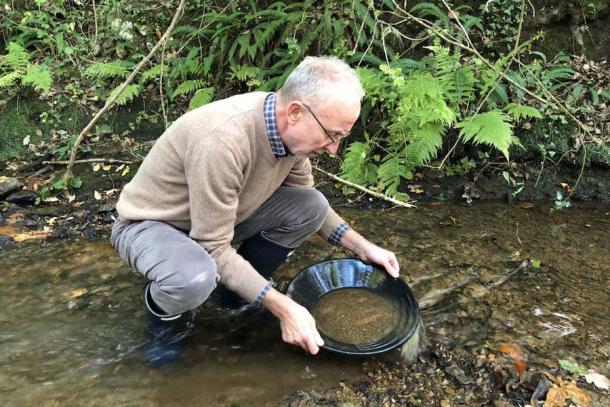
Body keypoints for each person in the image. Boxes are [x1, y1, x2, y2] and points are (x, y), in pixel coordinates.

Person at [110, 56, 400, 365]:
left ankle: (233, 294)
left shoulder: (289, 135)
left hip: (216, 220)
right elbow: (212, 247)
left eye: (341, 137)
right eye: (332, 135)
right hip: (151, 225)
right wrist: (283, 306)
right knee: (194, 276)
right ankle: (163, 330)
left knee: (310, 205)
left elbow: (307, 200)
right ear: (296, 112)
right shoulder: (222, 141)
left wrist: (362, 247)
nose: (333, 149)